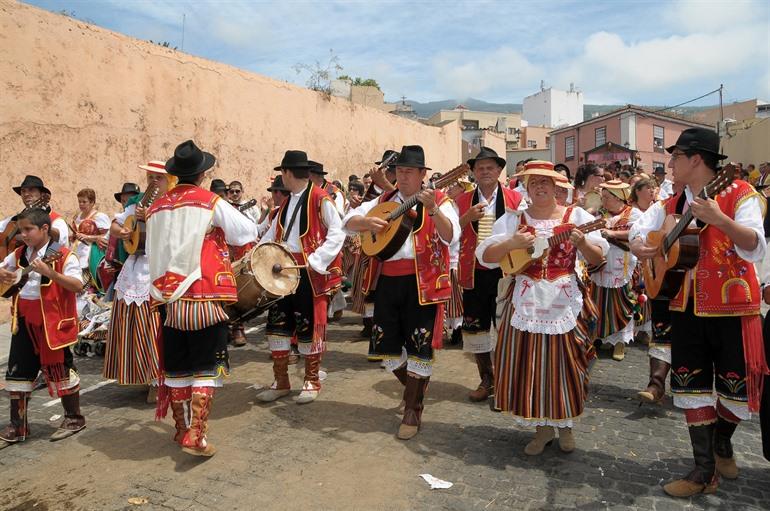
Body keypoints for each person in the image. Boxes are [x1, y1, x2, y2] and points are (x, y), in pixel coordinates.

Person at [630, 128, 768, 497]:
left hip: (733, 306)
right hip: (685, 304)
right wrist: (643, 245)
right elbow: (638, 230)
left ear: (695, 160)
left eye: (675, 158)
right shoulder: (670, 203)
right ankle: (703, 471)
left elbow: (755, 243)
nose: (670, 164)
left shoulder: (740, 193)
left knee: (736, 391)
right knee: (692, 385)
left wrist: (720, 219)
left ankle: (722, 442)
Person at [477, 160, 607, 455]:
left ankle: (566, 425)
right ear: (526, 186)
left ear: (556, 186)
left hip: (565, 299)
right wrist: (512, 242)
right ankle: (543, 429)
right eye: (533, 181)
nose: (539, 186)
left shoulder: (578, 215)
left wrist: (583, 242)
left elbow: (598, 257)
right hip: (526, 298)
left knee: (567, 364)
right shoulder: (513, 219)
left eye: (545, 182)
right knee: (532, 364)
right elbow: (486, 256)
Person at [147, 140, 257, 457]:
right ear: (201, 175)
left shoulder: (156, 206)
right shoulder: (209, 201)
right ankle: (197, 433)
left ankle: (180, 428)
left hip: (168, 299)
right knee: (206, 367)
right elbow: (244, 233)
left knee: (178, 369)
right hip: (203, 294)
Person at [344, 145, 460, 440]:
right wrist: (366, 222)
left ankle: (413, 409)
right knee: (386, 347)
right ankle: (415, 384)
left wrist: (433, 209)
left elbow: (450, 236)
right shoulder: (384, 200)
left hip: (423, 284)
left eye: (410, 172)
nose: (403, 177)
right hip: (386, 282)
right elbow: (347, 222)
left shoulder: (441, 200)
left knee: (420, 345)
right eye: (399, 171)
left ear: (424, 174)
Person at [257, 150, 344, 405]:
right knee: (278, 325)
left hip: (307, 270)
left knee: (309, 327)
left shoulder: (320, 197)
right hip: (282, 270)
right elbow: (272, 233)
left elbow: (337, 233)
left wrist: (317, 260)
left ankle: (312, 380)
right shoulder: (287, 202)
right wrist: (258, 255)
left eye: (281, 173)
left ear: (287, 172)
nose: (280, 178)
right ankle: (281, 382)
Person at [0, 209, 86, 448]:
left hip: (52, 322)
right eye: (21, 230)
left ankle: (73, 418)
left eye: (29, 230)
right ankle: (18, 425)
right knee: (17, 371)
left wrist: (51, 273)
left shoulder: (62, 255)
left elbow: (78, 285)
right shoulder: (18, 254)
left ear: (45, 229)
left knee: (59, 369)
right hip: (23, 320)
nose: (23, 235)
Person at [103, 161, 175, 402]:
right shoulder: (137, 203)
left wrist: (152, 219)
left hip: (160, 269)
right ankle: (144, 373)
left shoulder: (173, 203)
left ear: (170, 180)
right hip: (136, 267)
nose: (153, 182)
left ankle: (160, 379)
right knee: (133, 325)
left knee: (154, 327)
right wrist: (121, 231)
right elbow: (114, 225)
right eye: (150, 177)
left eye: (159, 177)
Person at [456, 147, 523, 401]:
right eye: (480, 168)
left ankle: (508, 382)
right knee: (476, 327)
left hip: (505, 271)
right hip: (473, 272)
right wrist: (465, 218)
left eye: (490, 167)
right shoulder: (462, 201)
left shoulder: (515, 199)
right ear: (473, 172)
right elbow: (448, 234)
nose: (485, 171)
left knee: (506, 328)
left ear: (498, 171)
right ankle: (487, 379)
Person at [590, 180, 639, 361]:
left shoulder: (634, 214)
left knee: (622, 302)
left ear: (619, 198)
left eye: (608, 197)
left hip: (623, 265)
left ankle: (620, 341)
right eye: (602, 197)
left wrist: (612, 233)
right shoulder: (598, 215)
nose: (604, 201)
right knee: (598, 300)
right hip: (602, 265)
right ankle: (598, 337)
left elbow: (637, 233)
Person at [0, 175, 70, 250]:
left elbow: (59, 244)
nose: (26, 194)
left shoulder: (56, 220)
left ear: (42, 194)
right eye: (23, 191)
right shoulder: (15, 219)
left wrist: (44, 259)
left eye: (31, 190)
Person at [71, 188, 110, 290]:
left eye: (84, 202)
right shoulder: (78, 216)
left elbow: (108, 236)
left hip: (91, 254)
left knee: (86, 287)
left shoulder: (99, 217)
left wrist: (88, 237)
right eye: (79, 201)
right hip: (76, 251)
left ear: (92, 202)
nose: (81, 204)